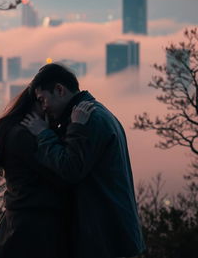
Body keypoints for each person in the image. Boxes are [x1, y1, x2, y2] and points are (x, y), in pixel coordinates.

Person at [22, 63, 145, 258]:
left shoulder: (88, 119)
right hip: (110, 231)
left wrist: (43, 134)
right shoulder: (92, 112)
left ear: (59, 89)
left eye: (42, 99)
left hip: (103, 235)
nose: (43, 108)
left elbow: (70, 169)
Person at [0, 85, 93, 258]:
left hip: (20, 229)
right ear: (29, 105)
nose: (46, 107)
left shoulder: (17, 132)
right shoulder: (23, 136)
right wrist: (76, 129)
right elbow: (63, 174)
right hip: (33, 235)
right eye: (41, 102)